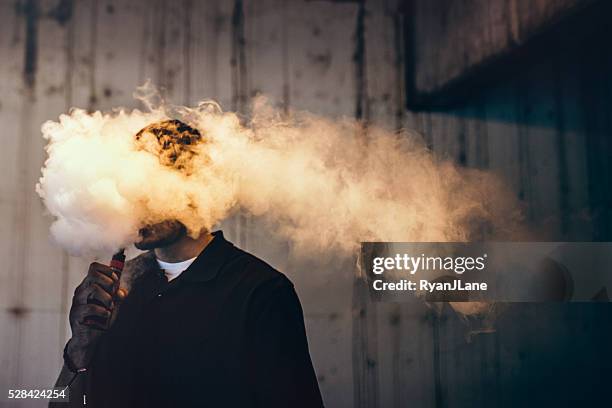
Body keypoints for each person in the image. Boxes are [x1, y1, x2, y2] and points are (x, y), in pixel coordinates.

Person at [50, 120, 324, 408]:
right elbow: (58, 403)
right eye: (130, 188)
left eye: (151, 189)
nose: (136, 203)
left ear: (197, 190)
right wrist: (80, 346)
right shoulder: (119, 286)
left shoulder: (261, 291)